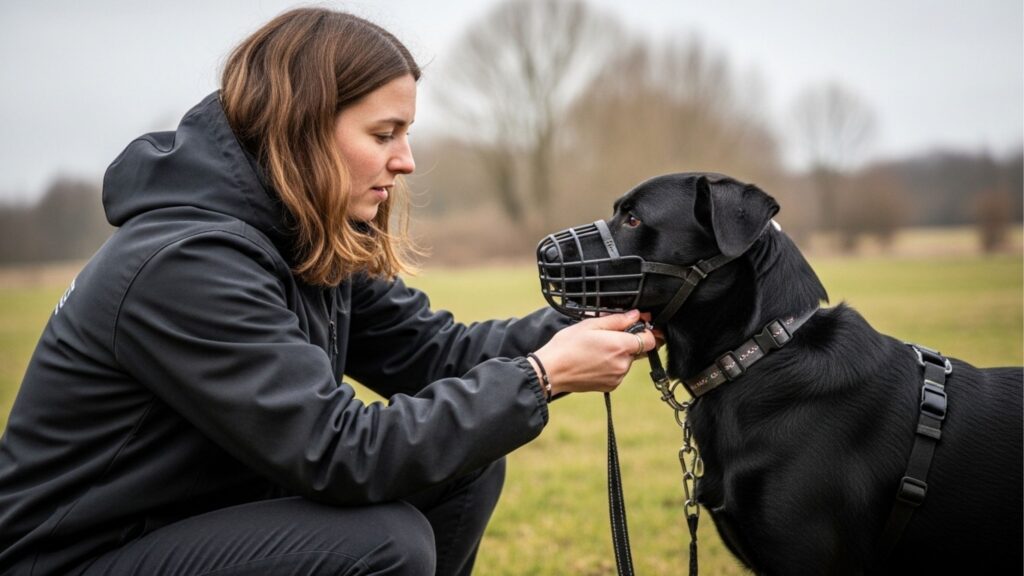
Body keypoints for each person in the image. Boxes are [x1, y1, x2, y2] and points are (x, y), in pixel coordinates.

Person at [0, 7, 656, 576]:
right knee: (382, 546)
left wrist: (619, 308)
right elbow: (340, 452)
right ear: (304, 126)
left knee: (466, 463)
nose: (406, 161)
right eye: (383, 134)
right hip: (76, 557)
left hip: (192, 523)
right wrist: (540, 377)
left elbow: (440, 354)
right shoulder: (185, 264)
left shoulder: (299, 238)